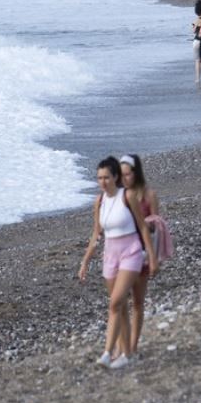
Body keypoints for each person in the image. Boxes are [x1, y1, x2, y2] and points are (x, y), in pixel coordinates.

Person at [78, 156, 157, 370]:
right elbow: (96, 234)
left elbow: (142, 226)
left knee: (115, 302)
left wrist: (151, 255)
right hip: (110, 254)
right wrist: (85, 262)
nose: (103, 182)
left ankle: (106, 353)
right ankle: (126, 353)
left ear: (115, 177)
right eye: (99, 178)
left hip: (131, 252)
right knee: (119, 307)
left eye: (106, 177)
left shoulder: (128, 196)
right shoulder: (99, 201)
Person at [120, 154, 161, 357]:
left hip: (143, 252)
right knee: (119, 300)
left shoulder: (148, 195)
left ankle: (133, 346)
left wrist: (147, 225)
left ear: (136, 173)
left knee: (137, 301)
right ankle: (122, 345)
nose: (124, 178)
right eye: (122, 174)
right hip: (123, 253)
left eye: (128, 174)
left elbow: (157, 224)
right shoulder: (119, 197)